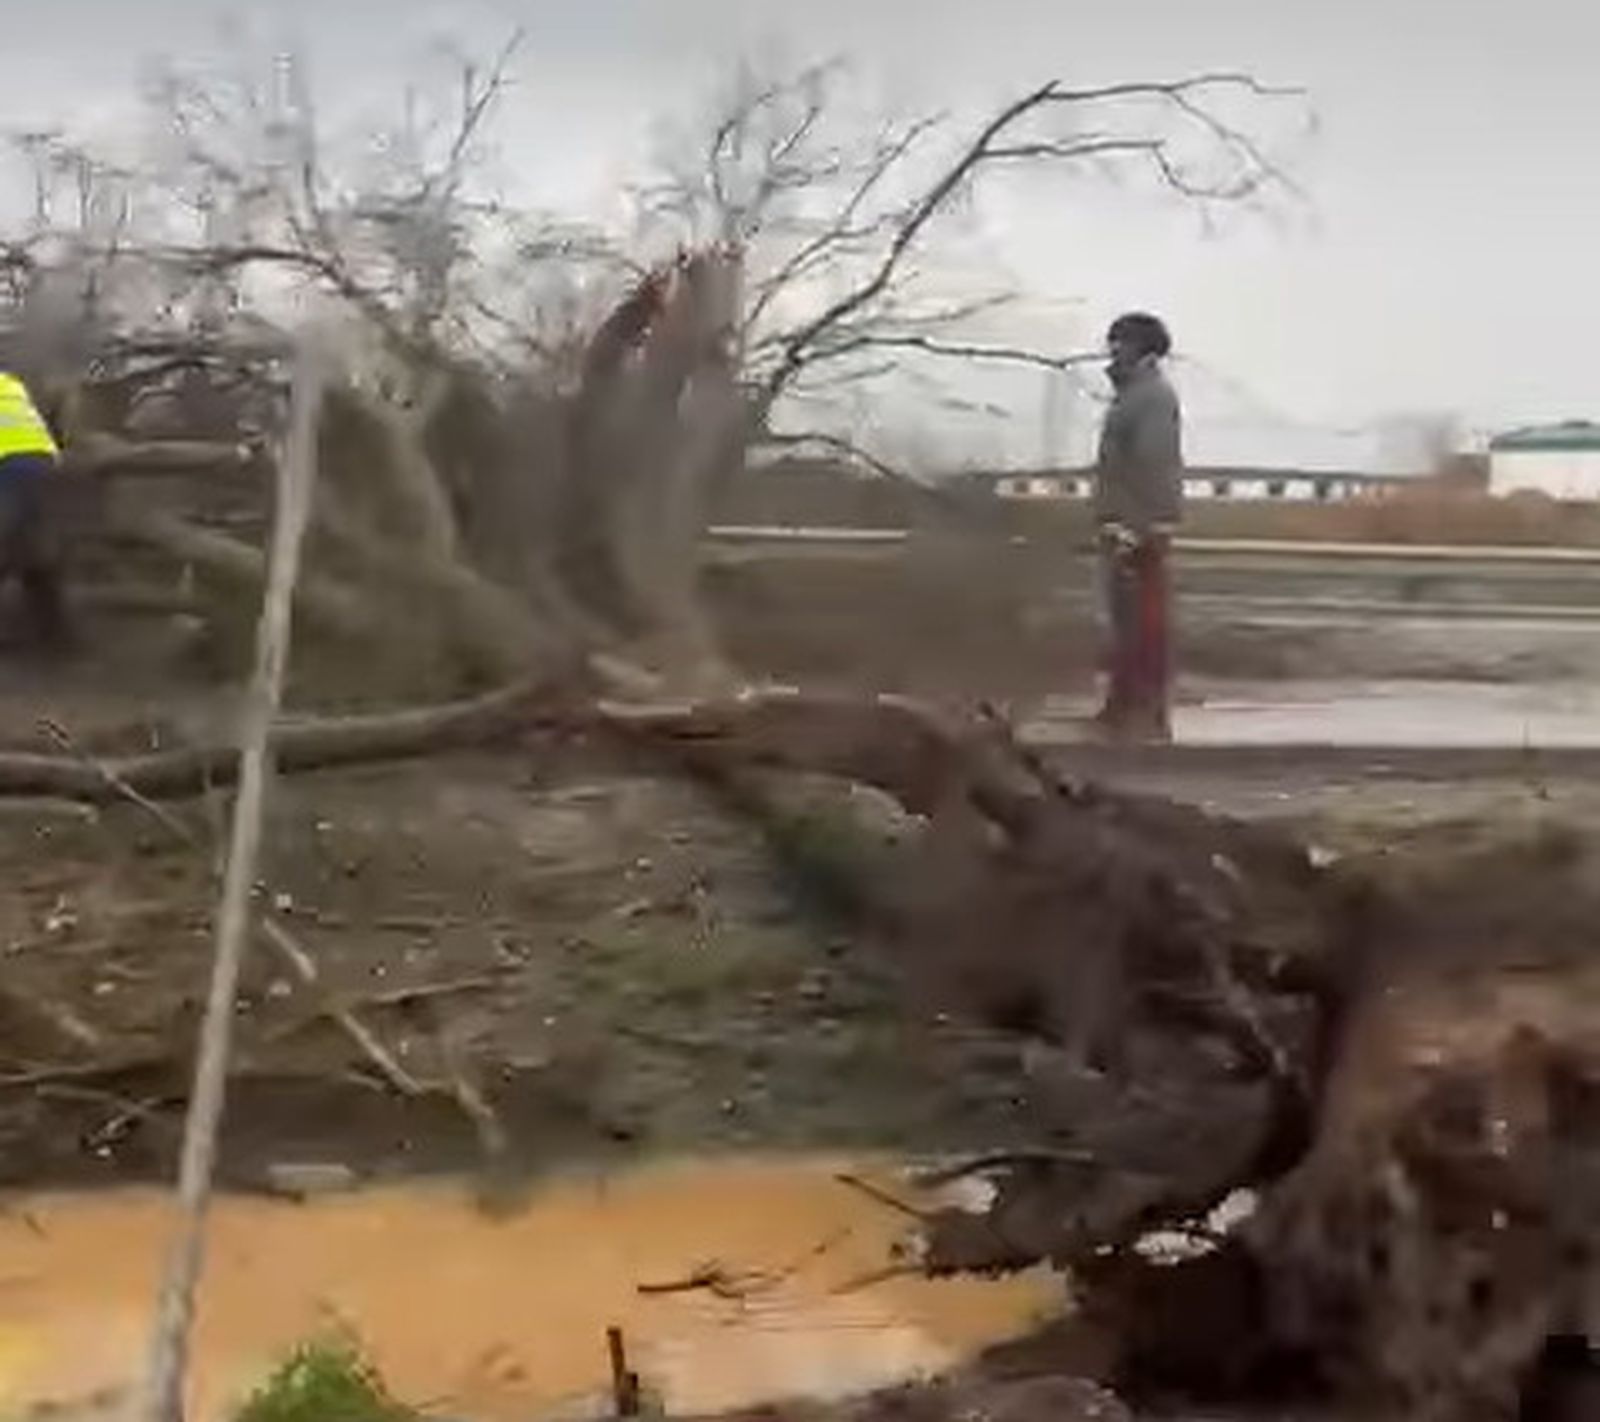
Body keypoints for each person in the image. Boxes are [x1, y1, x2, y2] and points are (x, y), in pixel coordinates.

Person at [1091, 312, 1183, 741]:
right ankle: (1124, 702)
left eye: (1121, 342)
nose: (1112, 350)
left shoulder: (1152, 398)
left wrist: (1142, 525)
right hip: (1121, 525)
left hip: (1139, 529)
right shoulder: (1130, 396)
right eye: (1112, 341)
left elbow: (1154, 463)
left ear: (1144, 350)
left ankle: (1144, 710)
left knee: (1144, 623)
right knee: (1124, 619)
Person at [0, 369, 71, 653]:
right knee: (34, 548)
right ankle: (56, 637)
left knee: (8, 542)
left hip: (10, 465)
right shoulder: (10, 383)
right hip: (43, 461)